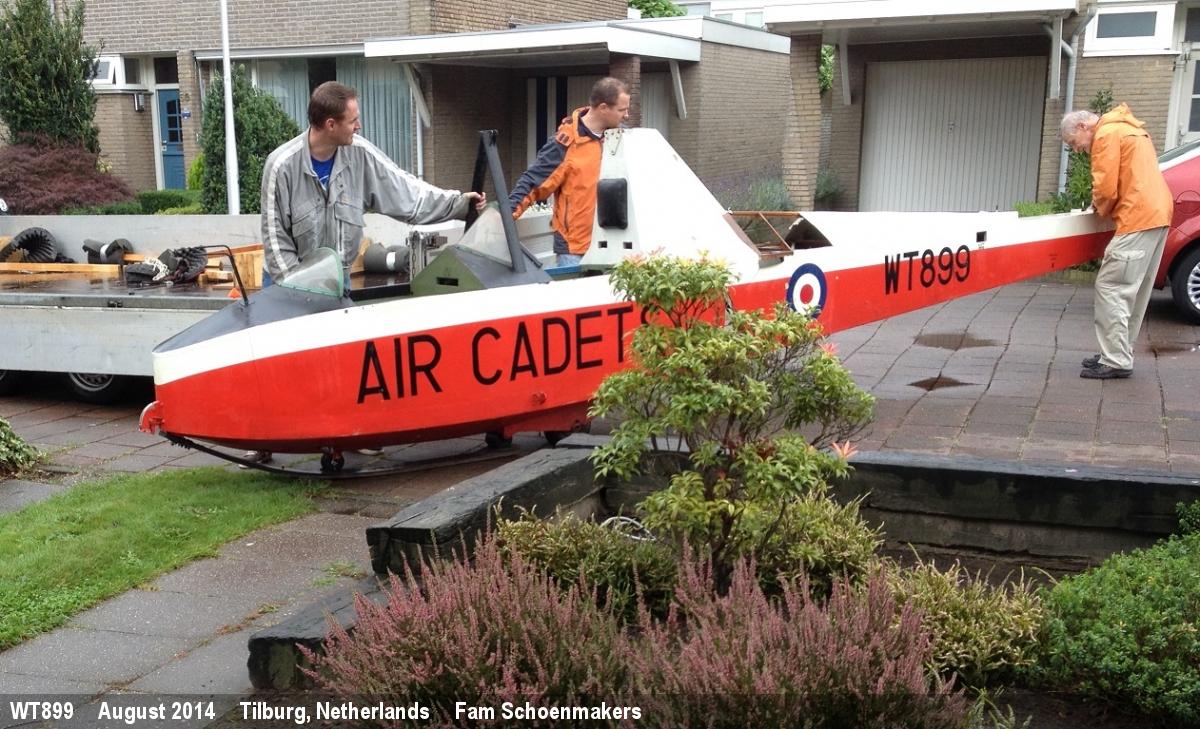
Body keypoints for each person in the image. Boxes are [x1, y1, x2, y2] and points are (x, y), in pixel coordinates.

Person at [247, 81, 485, 466]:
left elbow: (405, 190)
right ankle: (265, 439)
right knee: (276, 366)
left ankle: (350, 434)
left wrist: (458, 204)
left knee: (345, 364)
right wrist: (300, 291)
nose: (358, 126)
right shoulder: (281, 165)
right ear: (329, 124)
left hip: (335, 280)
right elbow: (274, 238)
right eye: (352, 120)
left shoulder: (358, 154)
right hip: (286, 282)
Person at [1061, 104, 1173, 380]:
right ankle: (1117, 351)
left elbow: (1106, 188)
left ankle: (1115, 359)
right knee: (1133, 291)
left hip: (1137, 217)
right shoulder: (1130, 129)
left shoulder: (1106, 134)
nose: (1077, 149)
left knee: (1112, 287)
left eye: (1074, 142)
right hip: (1157, 215)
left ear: (1083, 127)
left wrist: (1097, 210)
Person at [508, 77, 630, 267]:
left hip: (616, 244)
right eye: (622, 110)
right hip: (575, 250)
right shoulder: (565, 143)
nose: (627, 116)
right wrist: (502, 219)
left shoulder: (623, 138)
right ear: (603, 108)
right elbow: (533, 183)